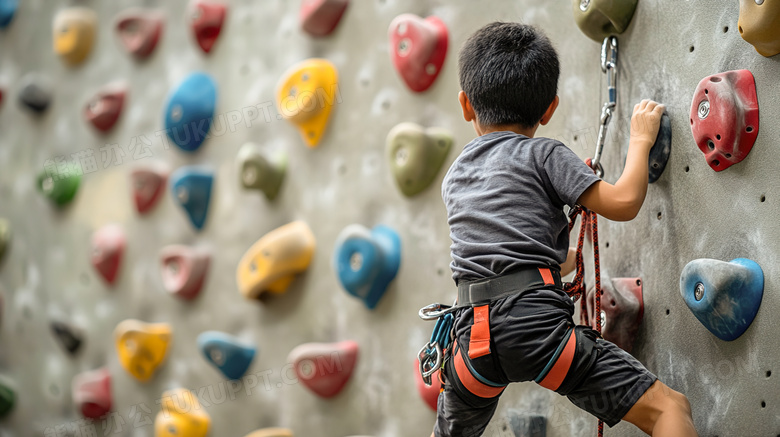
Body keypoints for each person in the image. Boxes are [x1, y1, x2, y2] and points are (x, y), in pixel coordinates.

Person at [432, 22, 697, 437]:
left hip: (470, 344)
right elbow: (623, 202)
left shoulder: (456, 175)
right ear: (550, 109)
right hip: (538, 333)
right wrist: (640, 141)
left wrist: (563, 260)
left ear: (466, 105)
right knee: (668, 410)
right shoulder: (543, 154)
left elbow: (512, 249)